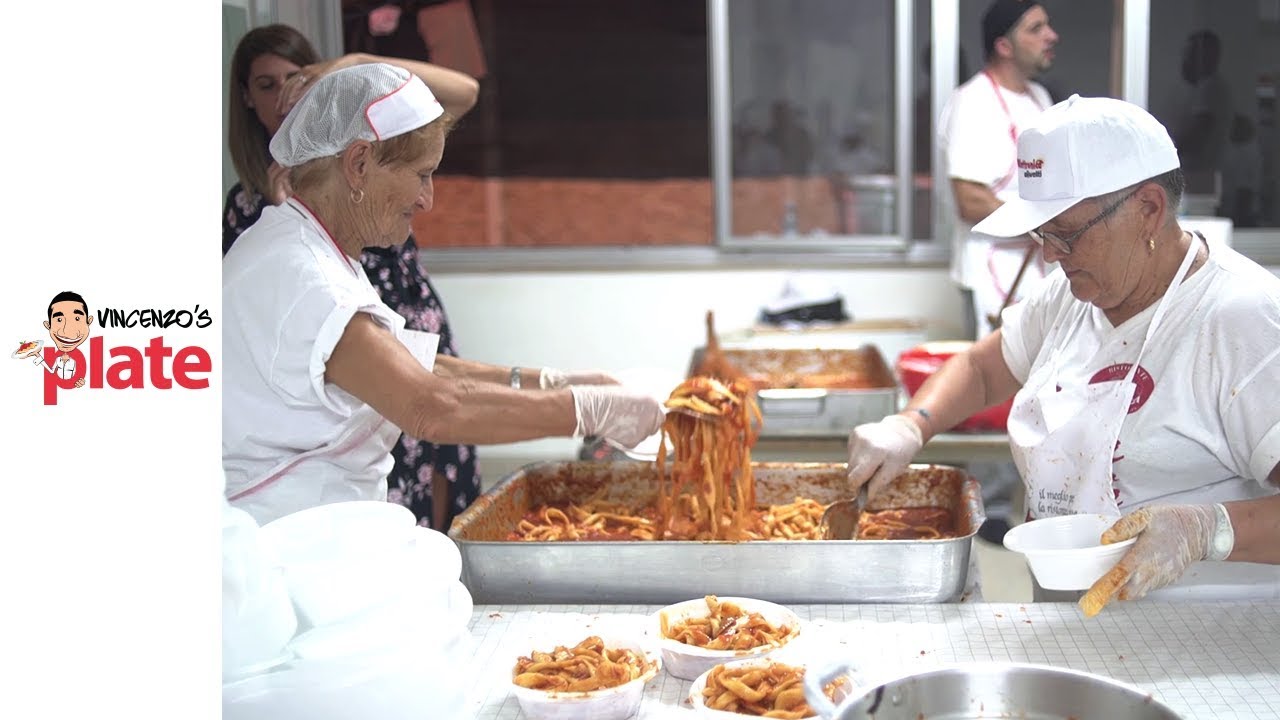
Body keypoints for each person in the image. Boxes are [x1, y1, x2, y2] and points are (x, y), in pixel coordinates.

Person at [847, 95, 1280, 610]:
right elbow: (982, 369)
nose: (1050, 253)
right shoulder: (1071, 293)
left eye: (1067, 233)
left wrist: (1207, 530)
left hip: (1210, 652)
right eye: (1041, 234)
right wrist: (911, 425)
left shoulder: (1242, 318)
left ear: (1148, 210)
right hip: (1077, 628)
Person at [222, 63, 665, 525]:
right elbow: (427, 405)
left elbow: (411, 365)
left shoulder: (306, 245)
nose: (428, 200)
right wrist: (588, 411)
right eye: (421, 174)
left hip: (308, 535)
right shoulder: (304, 275)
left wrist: (557, 382)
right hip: (281, 550)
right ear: (358, 164)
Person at [225, 24, 483, 530]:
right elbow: (430, 405)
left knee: (434, 482)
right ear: (246, 100)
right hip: (351, 382)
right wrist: (579, 405)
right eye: (266, 85)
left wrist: (356, 66)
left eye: (295, 79)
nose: (282, 97)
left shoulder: (370, 158)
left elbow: (465, 93)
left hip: (405, 336)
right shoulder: (275, 228)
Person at [936, 0, 1059, 543]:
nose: (1051, 36)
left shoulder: (1040, 99)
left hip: (1046, 272)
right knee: (992, 395)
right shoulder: (973, 104)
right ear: (1004, 44)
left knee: (1042, 393)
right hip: (996, 272)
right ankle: (978, 514)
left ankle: (1021, 508)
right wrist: (1041, 228)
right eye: (1037, 28)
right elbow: (968, 197)